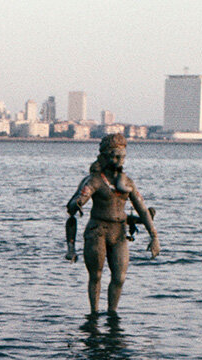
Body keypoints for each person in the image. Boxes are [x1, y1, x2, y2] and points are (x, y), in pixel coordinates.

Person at [64, 133, 160, 316]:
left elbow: (142, 209)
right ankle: (94, 314)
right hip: (97, 231)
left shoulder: (127, 183)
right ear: (106, 157)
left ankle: (112, 314)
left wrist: (154, 236)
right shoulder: (94, 181)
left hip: (119, 232)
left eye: (122, 157)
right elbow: (74, 204)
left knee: (119, 277)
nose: (119, 161)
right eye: (115, 157)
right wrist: (79, 201)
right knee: (96, 275)